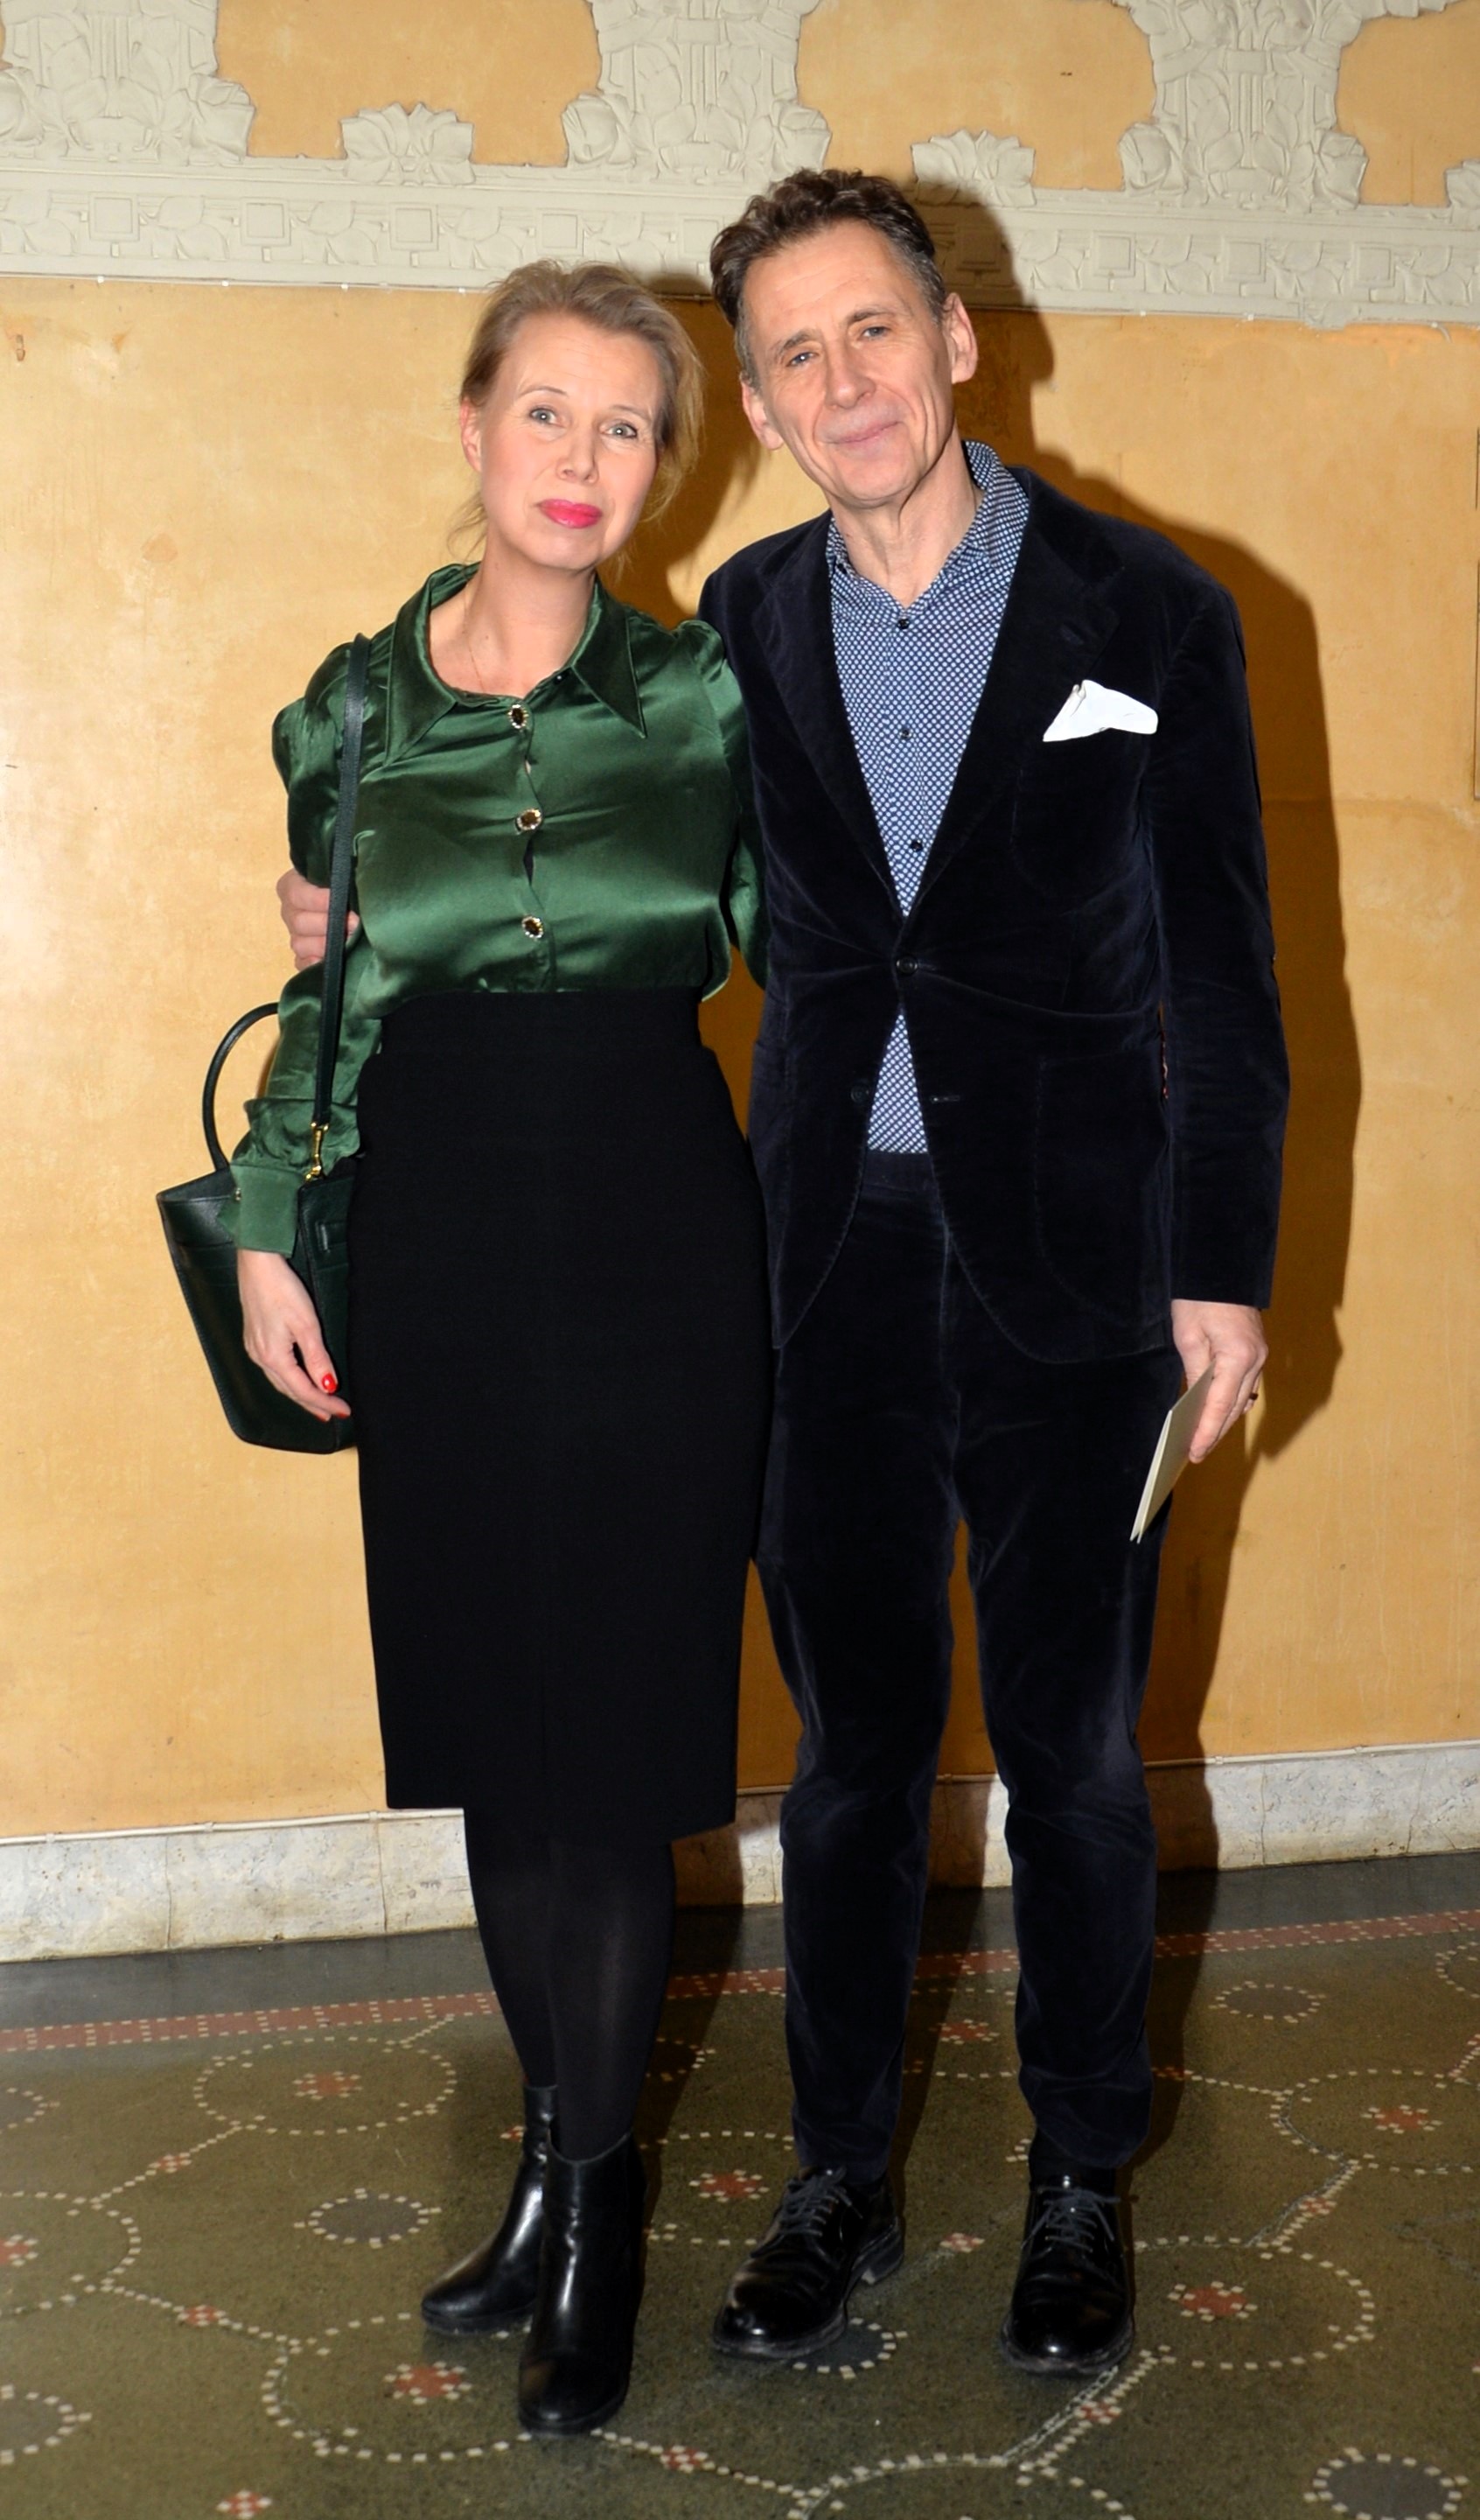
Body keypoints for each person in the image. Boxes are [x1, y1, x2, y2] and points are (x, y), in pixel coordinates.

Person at [282, 173, 1289, 2384]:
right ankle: (840, 2174)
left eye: (874, 331)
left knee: (1077, 1754)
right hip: (816, 1262)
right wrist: (370, 905)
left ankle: (1081, 2176)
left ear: (959, 342)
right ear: (755, 403)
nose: (843, 382)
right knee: (847, 1761)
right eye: (795, 354)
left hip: (1086, 1277)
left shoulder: (1153, 612)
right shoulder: (733, 631)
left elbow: (1224, 979)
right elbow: (583, 829)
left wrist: (1223, 1274)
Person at [233, 260, 771, 2439]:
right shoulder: (348, 716)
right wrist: (274, 1229)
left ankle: (605, 2206)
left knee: (612, 1736)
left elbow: (825, 944)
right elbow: (331, 1005)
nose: (583, 458)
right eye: (547, 411)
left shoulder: (715, 699)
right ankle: (550, 2163)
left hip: (658, 1223)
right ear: (473, 430)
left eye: (627, 425)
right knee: (492, 1723)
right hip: (439, 1235)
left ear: (668, 467)